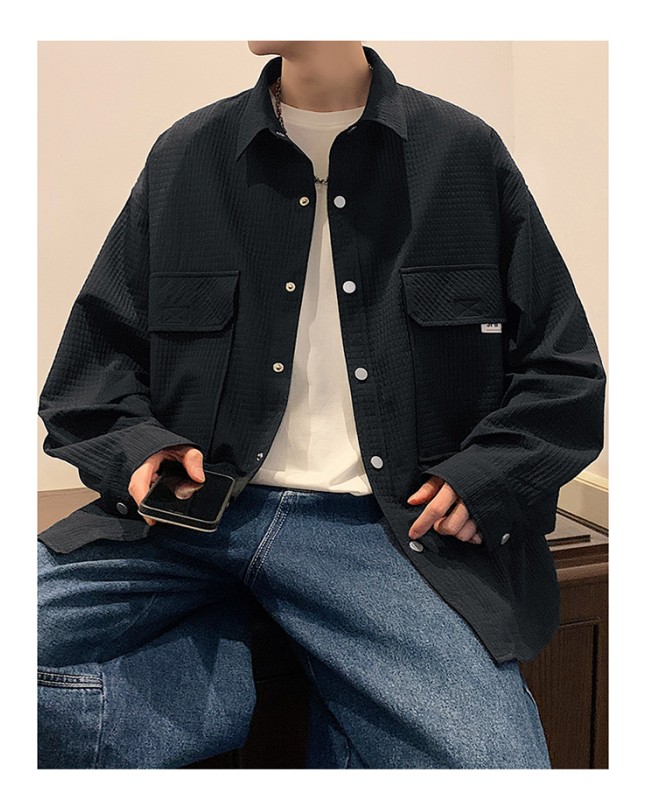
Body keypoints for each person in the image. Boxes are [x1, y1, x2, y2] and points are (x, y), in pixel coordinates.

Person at [37, 41, 606, 769]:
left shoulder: (463, 154)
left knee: (490, 767)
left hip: (387, 531)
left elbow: (563, 369)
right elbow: (93, 365)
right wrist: (139, 449)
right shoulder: (187, 154)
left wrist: (489, 478)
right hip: (190, 519)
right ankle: (220, 698)